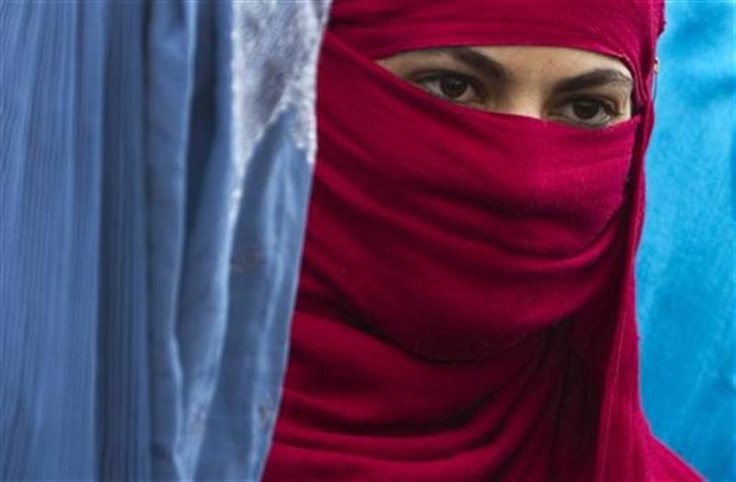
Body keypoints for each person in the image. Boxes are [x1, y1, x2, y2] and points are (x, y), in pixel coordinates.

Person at [261, 1, 704, 480]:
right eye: (454, 87)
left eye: (586, 107)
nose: (525, 180)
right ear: (317, 84)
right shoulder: (177, 427)